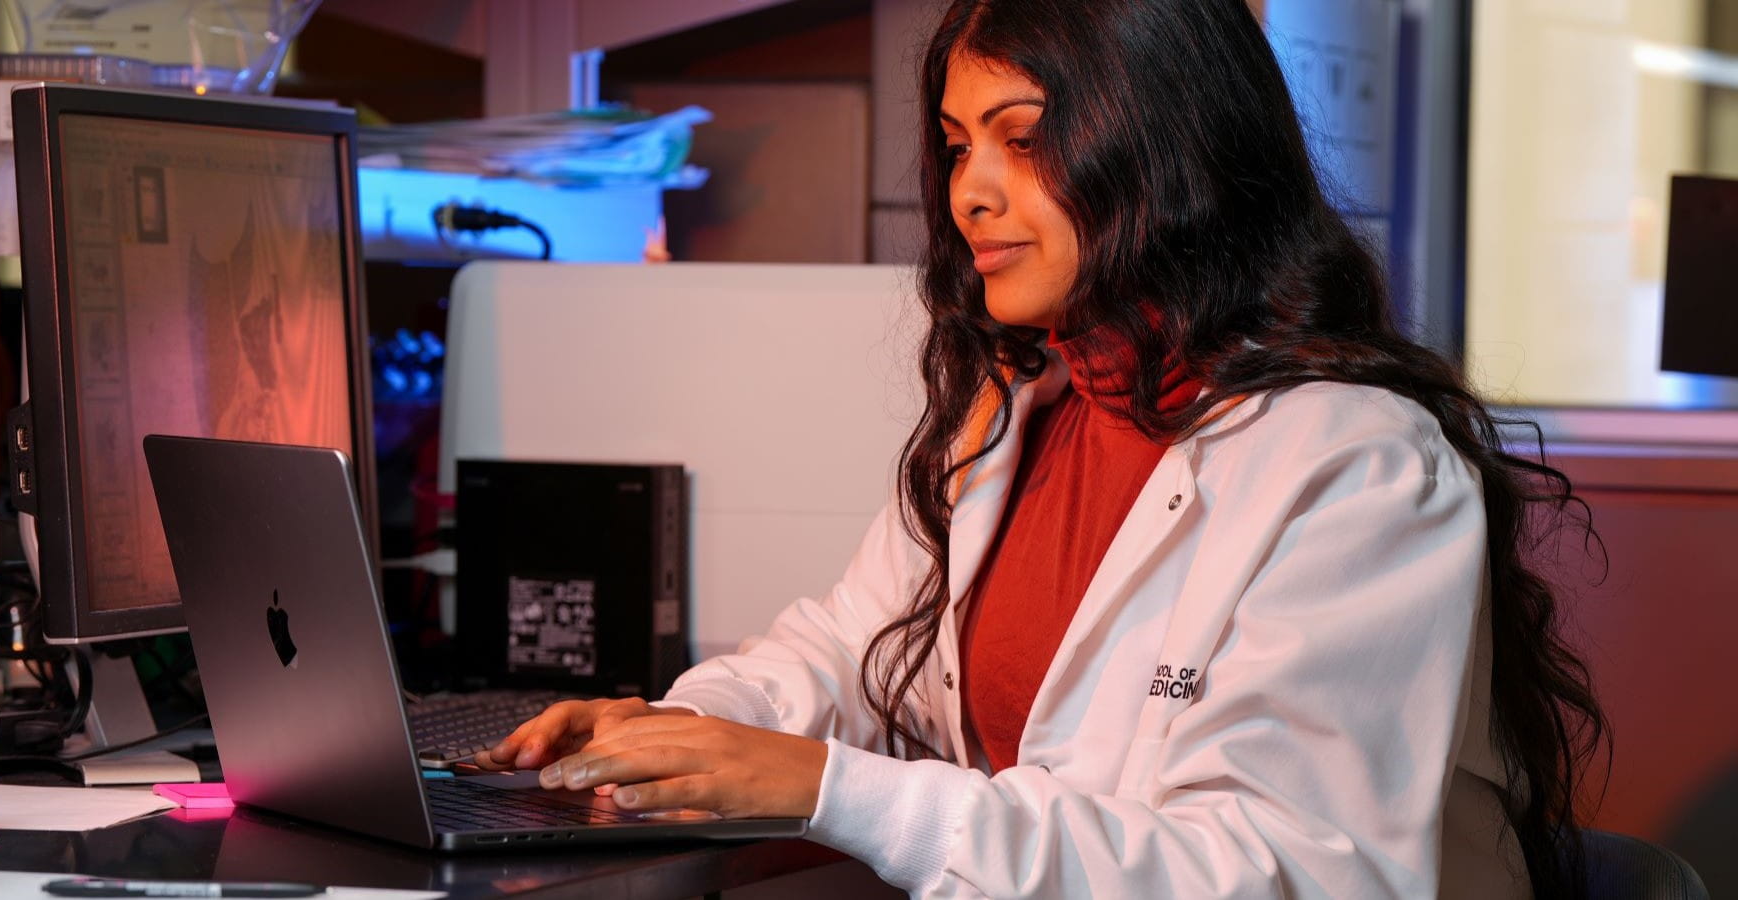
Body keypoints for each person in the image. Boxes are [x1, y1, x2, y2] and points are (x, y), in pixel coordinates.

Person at [476, 1, 1606, 896]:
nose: (969, 192)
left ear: (1166, 144)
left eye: (1022, 140)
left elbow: (1284, 872)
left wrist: (830, 789)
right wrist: (685, 730)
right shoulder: (1018, 407)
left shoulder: (1357, 466)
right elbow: (848, 648)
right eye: (958, 144)